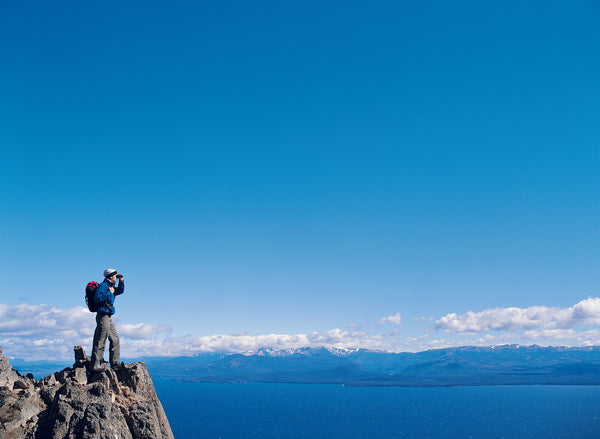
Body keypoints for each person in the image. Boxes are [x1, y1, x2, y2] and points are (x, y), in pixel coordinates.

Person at [90, 268, 125, 372]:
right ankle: (95, 366)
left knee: (115, 339)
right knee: (101, 339)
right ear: (110, 276)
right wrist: (109, 293)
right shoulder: (103, 286)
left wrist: (121, 281)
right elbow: (97, 298)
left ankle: (114, 363)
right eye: (115, 276)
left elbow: (120, 291)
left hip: (108, 316)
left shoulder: (111, 286)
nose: (116, 277)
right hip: (102, 316)